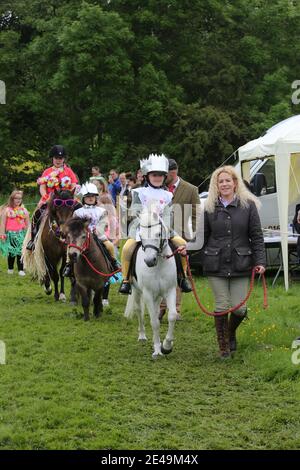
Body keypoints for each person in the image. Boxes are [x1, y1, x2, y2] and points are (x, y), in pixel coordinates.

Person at [201, 165, 266, 359]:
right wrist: (185, 249)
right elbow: (202, 236)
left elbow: (256, 235)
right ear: (216, 185)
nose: (224, 184)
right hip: (215, 263)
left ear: (235, 183)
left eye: (228, 180)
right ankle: (224, 348)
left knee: (240, 308)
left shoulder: (248, 205)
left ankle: (230, 333)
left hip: (241, 263)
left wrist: (260, 260)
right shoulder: (209, 207)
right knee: (222, 305)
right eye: (220, 181)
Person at [118, 153, 192, 295]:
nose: (157, 178)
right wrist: (147, 221)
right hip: (143, 229)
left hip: (163, 229)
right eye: (154, 175)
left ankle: (183, 277)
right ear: (147, 176)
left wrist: (163, 226)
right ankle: (126, 280)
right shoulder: (138, 192)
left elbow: (169, 213)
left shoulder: (168, 195)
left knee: (182, 244)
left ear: (164, 177)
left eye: (160, 175)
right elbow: (135, 211)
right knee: (127, 248)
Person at [160, 158, 200, 320]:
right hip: (159, 237)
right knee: (160, 272)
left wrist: (195, 238)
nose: (161, 176)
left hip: (180, 237)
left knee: (177, 273)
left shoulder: (191, 189)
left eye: (164, 173)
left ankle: (175, 308)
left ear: (173, 172)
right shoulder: (157, 188)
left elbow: (197, 215)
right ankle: (161, 306)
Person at [26, 145, 78, 250]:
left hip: (67, 200)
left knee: (81, 211)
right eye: (56, 158)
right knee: (37, 214)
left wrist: (72, 196)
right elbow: (42, 187)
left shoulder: (69, 171)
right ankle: (33, 240)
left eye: (61, 158)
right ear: (52, 159)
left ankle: (80, 237)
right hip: (50, 199)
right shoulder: (47, 172)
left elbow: (74, 186)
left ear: (64, 159)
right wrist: (46, 197)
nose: (58, 160)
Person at [63, 183, 119, 277]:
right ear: (83, 198)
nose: (90, 198)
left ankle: (114, 264)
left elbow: (103, 223)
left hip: (97, 235)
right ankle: (69, 265)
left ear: (96, 198)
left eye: (92, 196)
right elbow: (74, 226)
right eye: (88, 196)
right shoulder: (77, 212)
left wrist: (96, 231)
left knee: (110, 246)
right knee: (70, 247)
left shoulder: (102, 211)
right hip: (80, 236)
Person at [0, 190, 30, 275]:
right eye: (16, 198)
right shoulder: (7, 210)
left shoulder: (24, 210)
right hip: (10, 234)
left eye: (20, 198)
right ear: (12, 199)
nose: (18, 200)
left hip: (21, 234)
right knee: (12, 252)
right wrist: (2, 233)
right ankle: (10, 268)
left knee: (21, 252)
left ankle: (21, 269)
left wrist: (29, 235)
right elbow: (2, 223)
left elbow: (28, 224)